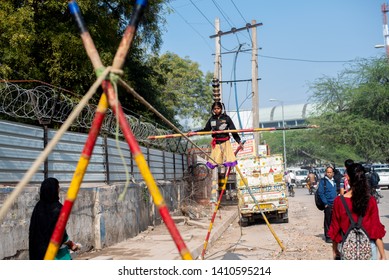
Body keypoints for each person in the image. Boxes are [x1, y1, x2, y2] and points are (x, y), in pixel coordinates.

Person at [328, 163, 386, 260]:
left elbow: (335, 228)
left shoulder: (339, 201)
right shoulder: (370, 201)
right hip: (368, 247)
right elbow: (376, 228)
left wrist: (334, 250)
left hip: (347, 248)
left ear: (348, 179)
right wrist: (382, 254)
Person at [29, 177, 79, 260]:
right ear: (54, 189)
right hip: (56, 254)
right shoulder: (58, 209)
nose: (59, 189)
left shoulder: (38, 207)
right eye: (58, 187)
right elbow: (60, 235)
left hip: (39, 253)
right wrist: (71, 244)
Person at [194, 101, 244, 169]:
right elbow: (206, 129)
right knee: (214, 162)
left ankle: (225, 175)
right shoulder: (212, 119)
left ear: (221, 109)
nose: (216, 110)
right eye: (214, 109)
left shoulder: (226, 118)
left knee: (228, 161)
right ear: (213, 110)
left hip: (226, 143)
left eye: (218, 108)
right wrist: (195, 132)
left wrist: (239, 141)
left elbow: (233, 130)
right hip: (216, 143)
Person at [317, 166, 338, 243]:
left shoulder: (334, 181)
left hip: (335, 204)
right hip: (328, 204)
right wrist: (325, 203)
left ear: (333, 173)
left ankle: (334, 235)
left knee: (334, 221)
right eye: (328, 172)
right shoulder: (323, 182)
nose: (329, 174)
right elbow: (321, 193)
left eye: (330, 172)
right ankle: (328, 236)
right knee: (328, 221)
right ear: (326, 173)